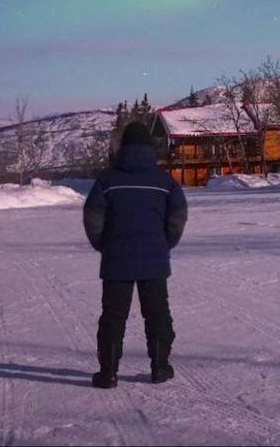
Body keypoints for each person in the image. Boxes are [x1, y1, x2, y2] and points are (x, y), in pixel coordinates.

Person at [82, 120, 188, 388]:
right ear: (150, 148)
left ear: (123, 147)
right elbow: (178, 216)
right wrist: (165, 244)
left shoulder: (107, 180)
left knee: (113, 316)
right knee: (157, 314)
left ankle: (108, 373)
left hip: (117, 259)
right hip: (154, 259)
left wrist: (103, 244)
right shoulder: (165, 181)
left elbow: (93, 217)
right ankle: (160, 368)